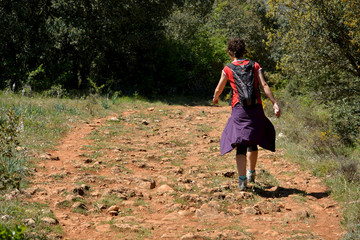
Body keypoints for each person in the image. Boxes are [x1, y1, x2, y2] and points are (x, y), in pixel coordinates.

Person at [213, 38, 280, 191]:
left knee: (240, 144)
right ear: (244, 51)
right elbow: (264, 85)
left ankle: (242, 181)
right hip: (255, 108)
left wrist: (215, 98)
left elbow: (219, 88)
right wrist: (274, 103)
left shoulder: (228, 68)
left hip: (239, 109)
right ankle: (251, 173)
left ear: (230, 52)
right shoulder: (254, 65)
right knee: (253, 141)